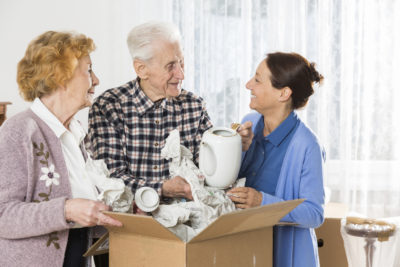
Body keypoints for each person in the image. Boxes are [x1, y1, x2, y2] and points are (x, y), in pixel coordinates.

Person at [87, 21, 253, 201]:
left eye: (181, 62)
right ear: (141, 69)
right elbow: (110, 181)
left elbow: (209, 173)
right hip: (130, 222)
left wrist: (234, 145)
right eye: (170, 66)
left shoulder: (194, 105)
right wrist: (163, 189)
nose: (181, 74)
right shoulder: (108, 107)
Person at [0, 31, 122, 267]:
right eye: (88, 70)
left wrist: (115, 212)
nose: (96, 80)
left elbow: (84, 208)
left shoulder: (75, 132)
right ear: (60, 77)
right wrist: (66, 210)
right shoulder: (19, 131)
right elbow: (3, 215)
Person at [228, 52, 325, 267]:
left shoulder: (308, 145)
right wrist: (236, 149)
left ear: (283, 93)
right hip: (245, 248)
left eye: (257, 79)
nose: (248, 85)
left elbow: (315, 213)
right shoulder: (249, 122)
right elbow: (230, 185)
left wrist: (262, 202)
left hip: (285, 257)